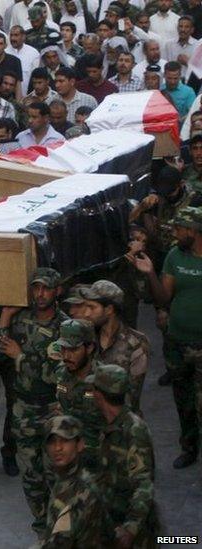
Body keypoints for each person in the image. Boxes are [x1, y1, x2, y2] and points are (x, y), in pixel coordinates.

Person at [0, 267, 69, 535]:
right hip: (23, 409)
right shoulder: (22, 318)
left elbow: (55, 374)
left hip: (52, 410)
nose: (39, 294)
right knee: (31, 477)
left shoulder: (64, 327)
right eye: (36, 288)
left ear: (57, 291)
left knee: (56, 476)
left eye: (46, 288)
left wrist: (21, 357)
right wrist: (5, 317)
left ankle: (60, 531)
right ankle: (41, 529)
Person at [129, 206, 202, 469]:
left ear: (194, 231)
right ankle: (189, 448)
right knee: (183, 400)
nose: (175, 232)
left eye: (180, 229)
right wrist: (149, 273)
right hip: (178, 342)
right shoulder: (174, 256)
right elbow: (163, 297)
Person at [88, 364, 159, 546]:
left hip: (134, 531)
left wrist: (130, 529)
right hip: (110, 518)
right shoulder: (106, 423)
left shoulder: (134, 431)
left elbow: (143, 484)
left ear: (99, 394)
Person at [78, 280, 151, 413]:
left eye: (92, 307)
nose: (86, 313)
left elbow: (131, 394)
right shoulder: (84, 338)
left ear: (109, 310)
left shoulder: (136, 343)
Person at [40, 414, 105, 547]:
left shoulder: (80, 493)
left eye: (65, 440)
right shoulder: (66, 478)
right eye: (52, 441)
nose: (57, 448)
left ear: (79, 445)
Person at [51, 319, 105, 469]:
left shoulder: (104, 379)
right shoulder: (61, 372)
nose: (66, 355)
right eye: (63, 349)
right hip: (70, 455)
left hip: (99, 455)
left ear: (89, 348)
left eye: (73, 350)